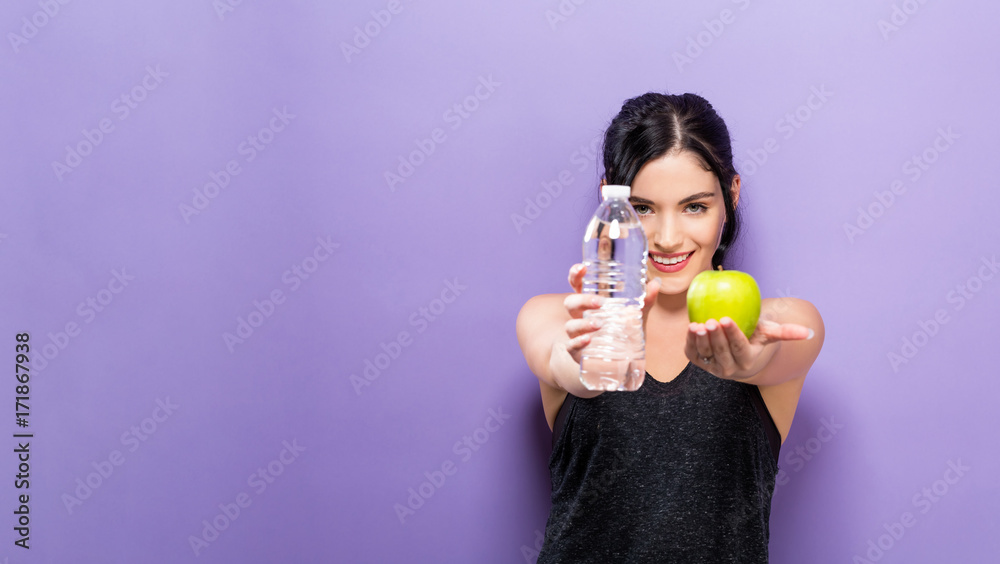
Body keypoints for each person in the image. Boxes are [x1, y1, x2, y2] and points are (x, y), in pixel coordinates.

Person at [515, 92, 825, 563]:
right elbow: (565, 365)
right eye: (642, 207)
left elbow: (768, 359)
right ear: (611, 200)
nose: (666, 237)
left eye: (694, 207)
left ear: (731, 195)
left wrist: (745, 360)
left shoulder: (778, 323)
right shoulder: (556, 317)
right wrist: (595, 359)